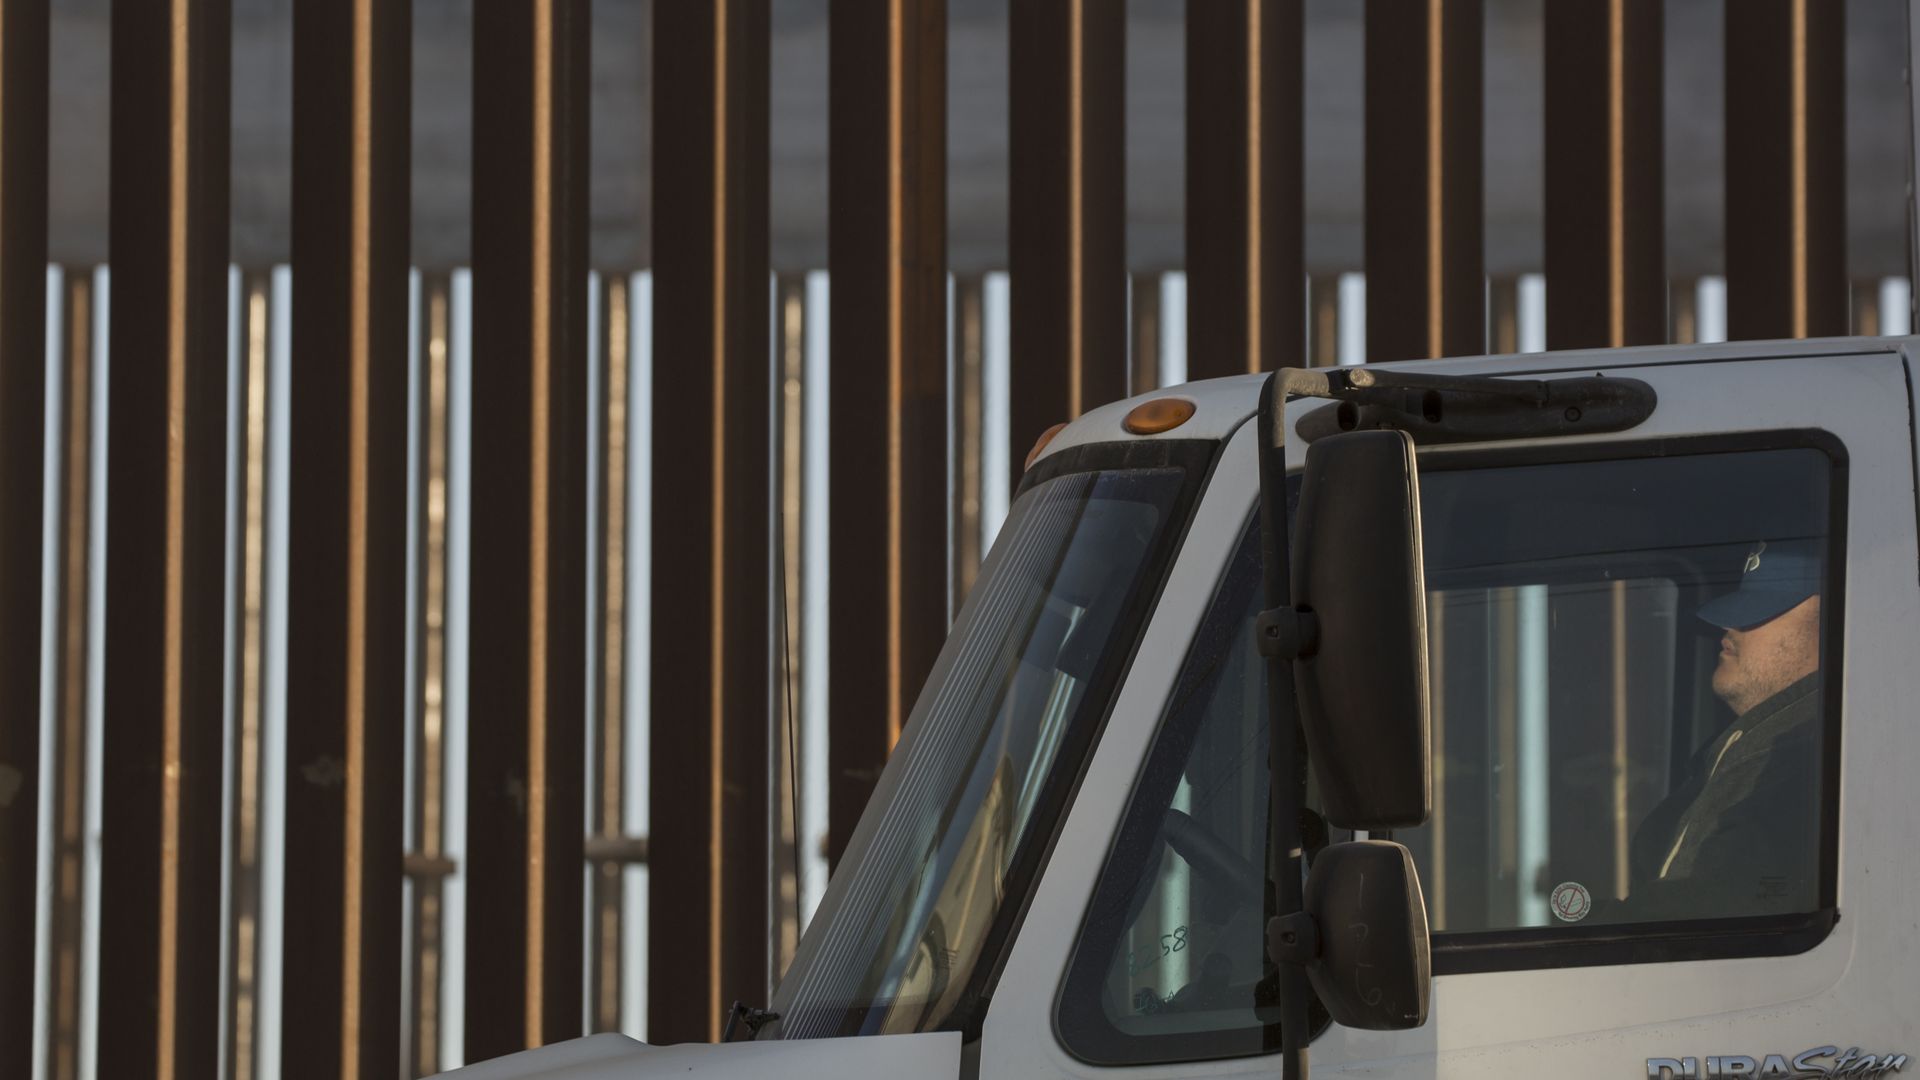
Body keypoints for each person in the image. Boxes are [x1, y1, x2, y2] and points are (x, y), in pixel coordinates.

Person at [1623, 539, 1825, 920]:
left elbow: (1722, 903)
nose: (1729, 626)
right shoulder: (1761, 740)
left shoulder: (1808, 753)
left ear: (1833, 626)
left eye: (1761, 611)